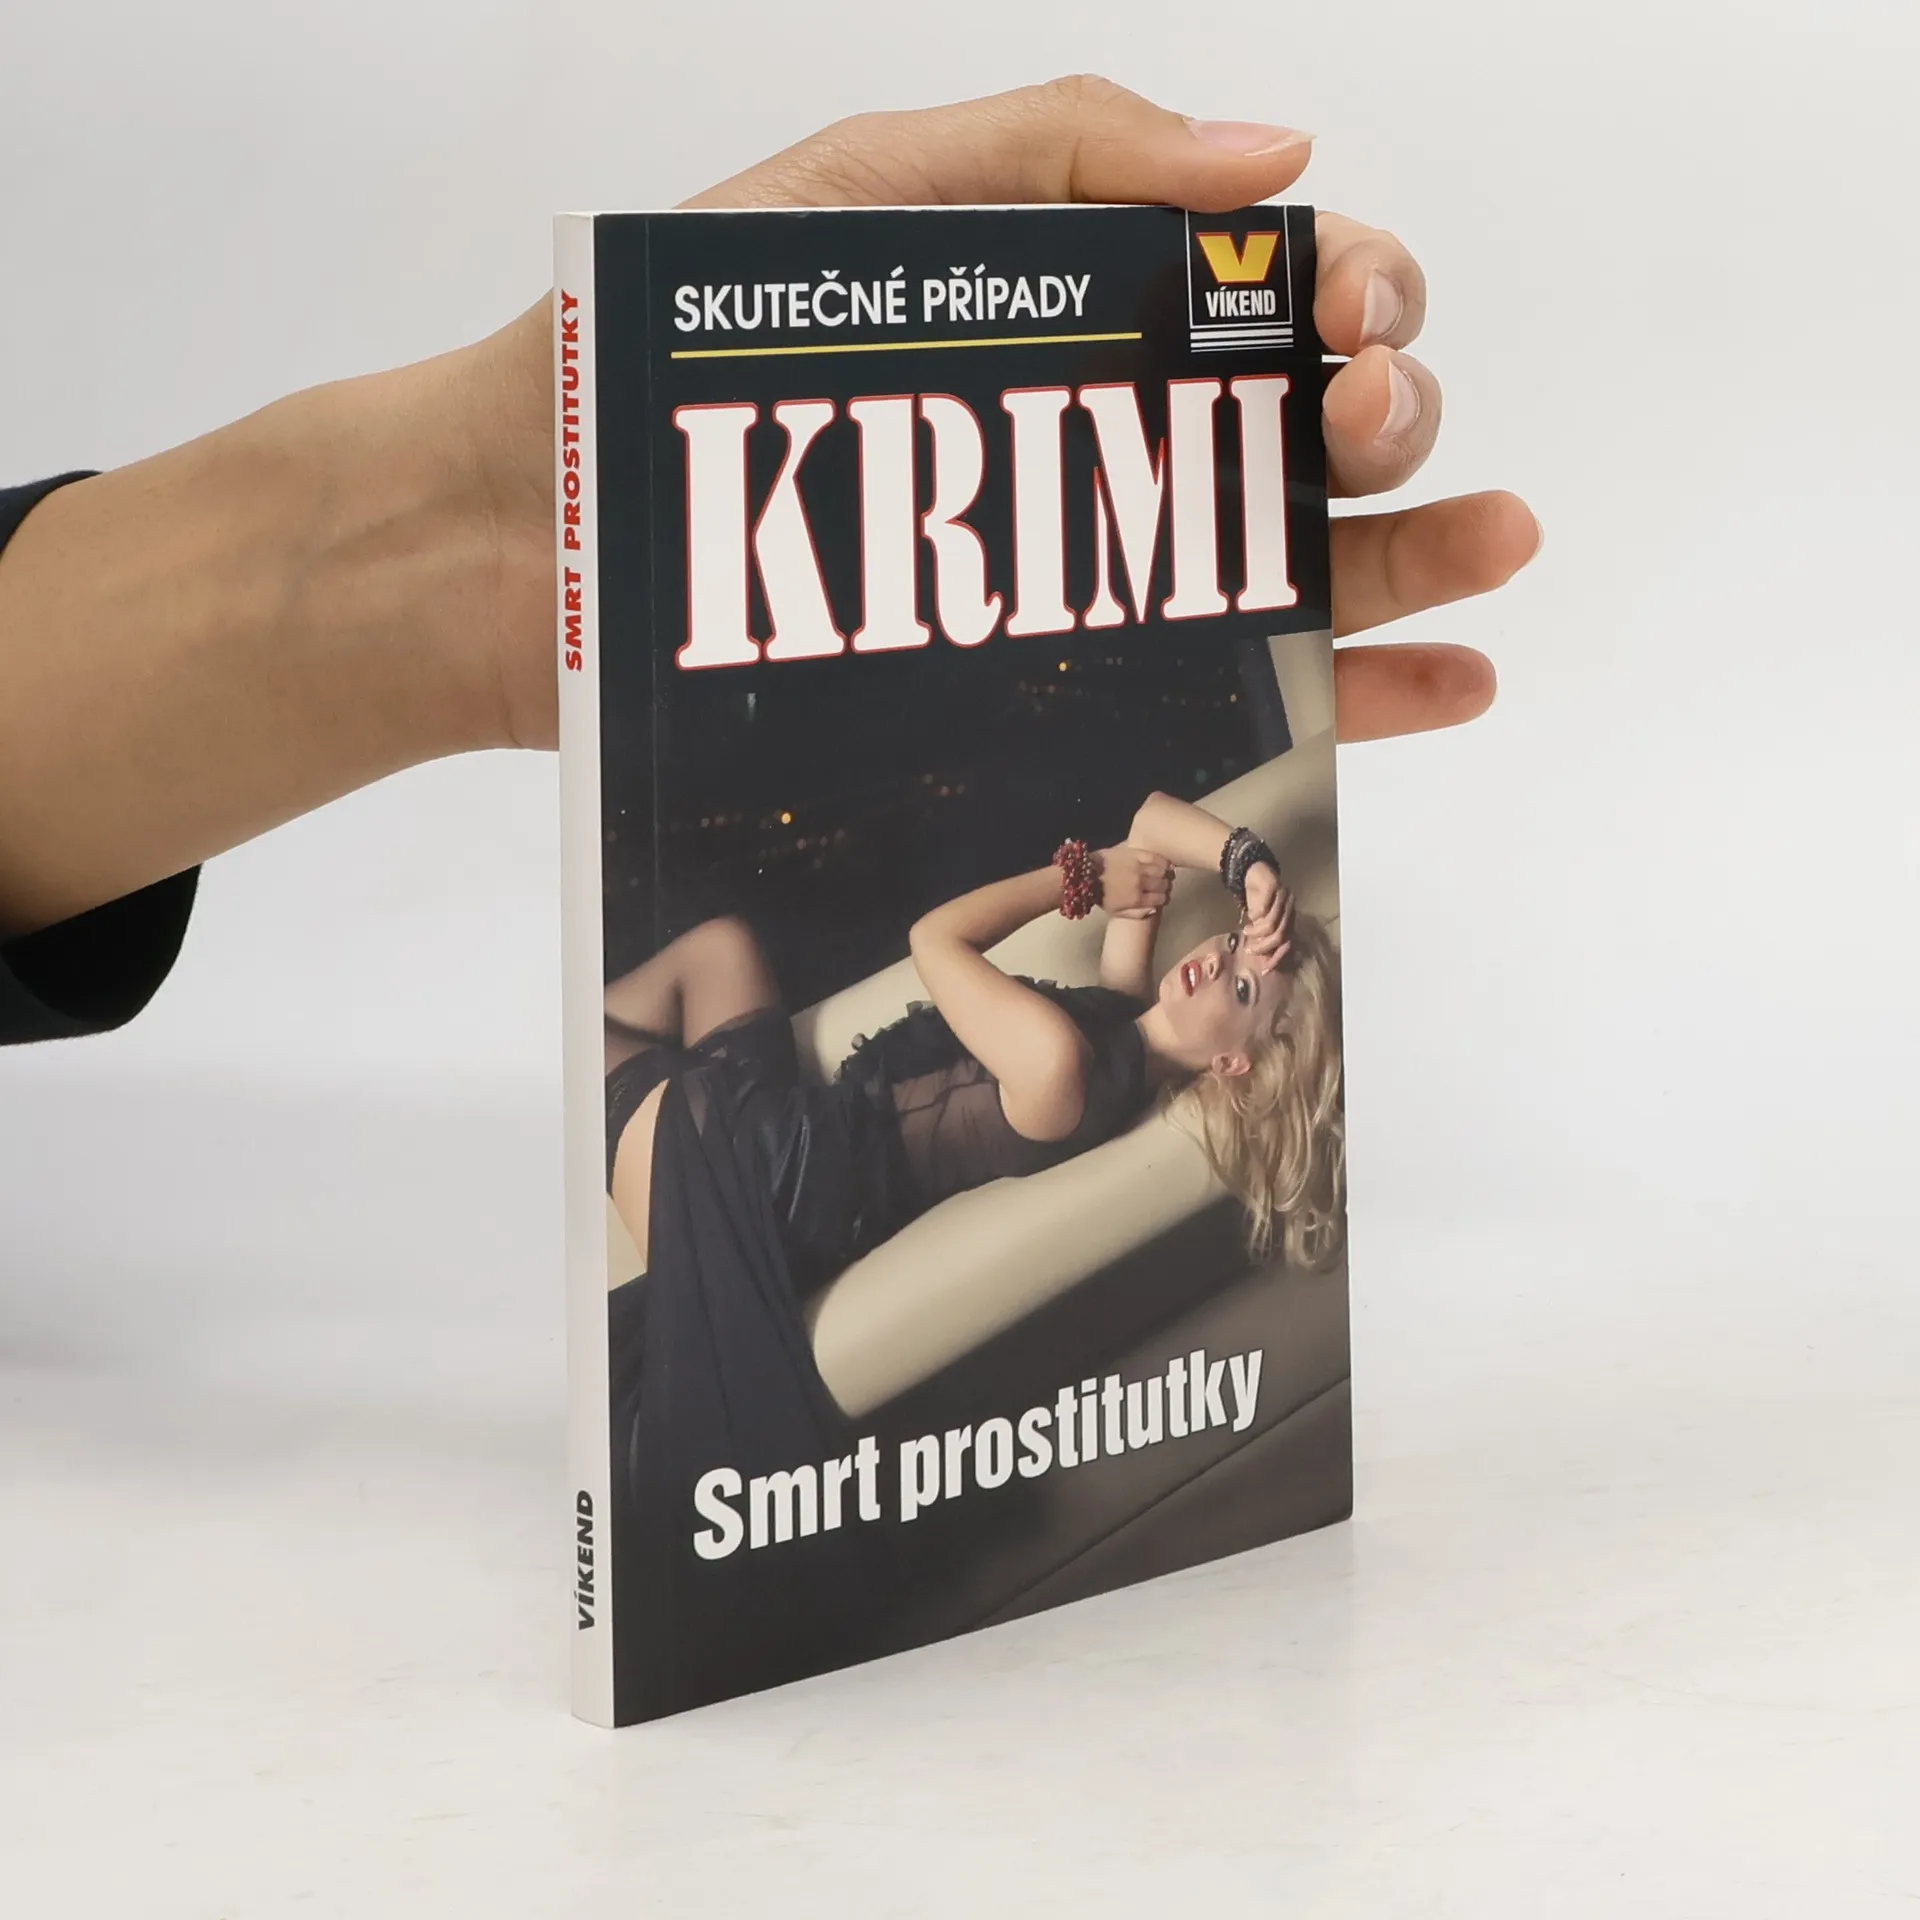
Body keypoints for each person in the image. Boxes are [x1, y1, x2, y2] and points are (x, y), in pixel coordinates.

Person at [0, 77, 1538, 1052]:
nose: (1227, 975)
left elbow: (1005, 911)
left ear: (1250, 1072)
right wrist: (1243, 865)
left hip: (812, 1010)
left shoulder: (1096, 1052)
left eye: (1249, 995)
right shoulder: (1124, 991)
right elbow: (1130, 837)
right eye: (1252, 972)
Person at [605, 789, 1340, 1291]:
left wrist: (1083, 878)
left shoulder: (1062, 1069)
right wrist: (1252, 866)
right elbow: (1149, 826)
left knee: (566, 1036)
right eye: (1234, 943)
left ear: (1232, 1062)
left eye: (1242, 990)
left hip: (747, 1194)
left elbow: (934, 939)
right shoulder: (1119, 1018)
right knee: (722, 950)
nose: (1215, 963)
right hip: (786, 1127)